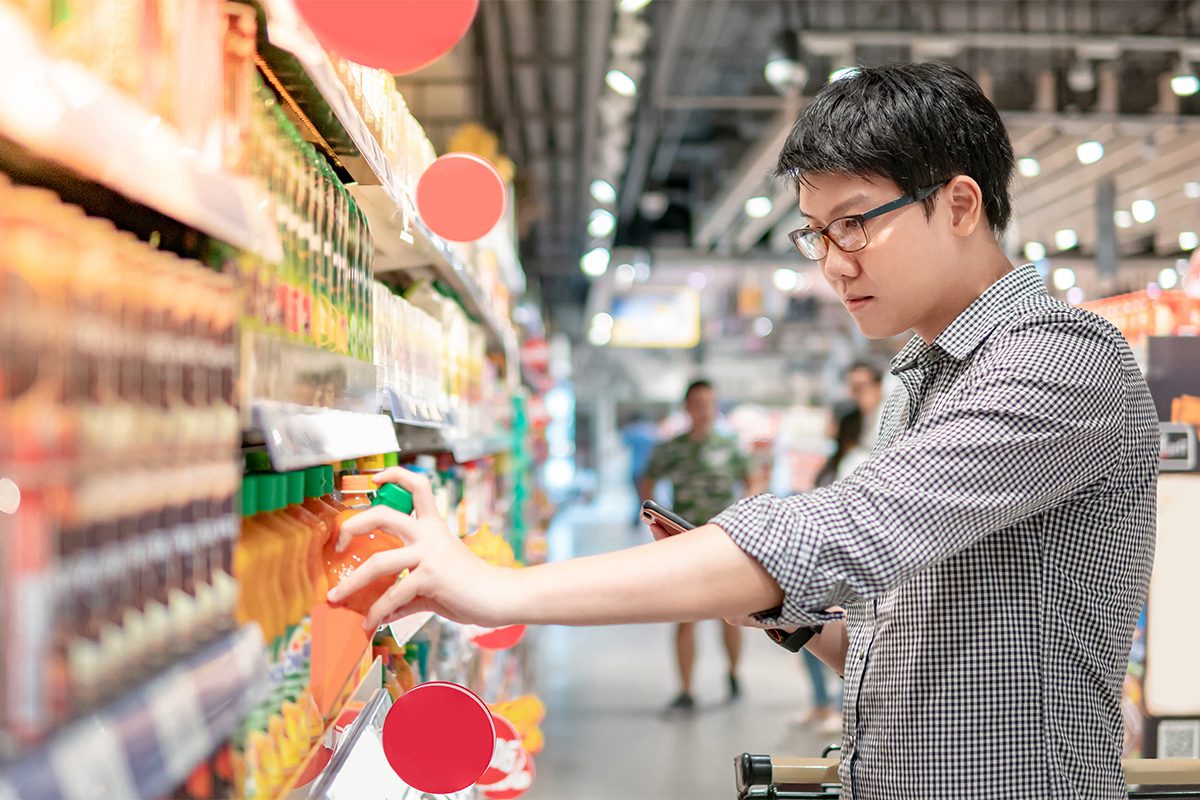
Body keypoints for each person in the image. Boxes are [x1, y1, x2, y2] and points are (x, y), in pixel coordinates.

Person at [327, 63, 1159, 800]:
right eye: (815, 232)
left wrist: (499, 589)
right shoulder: (924, 375)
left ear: (961, 204)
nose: (833, 262)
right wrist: (790, 614)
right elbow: (906, 631)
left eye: (855, 222)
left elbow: (851, 531)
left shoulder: (1062, 361)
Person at [639, 380, 752, 713]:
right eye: (698, 403)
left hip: (725, 541)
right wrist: (655, 518)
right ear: (686, 407)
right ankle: (685, 689)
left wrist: (746, 516)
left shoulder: (730, 446)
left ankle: (733, 673)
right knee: (685, 616)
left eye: (710, 403)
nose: (704, 410)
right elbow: (647, 479)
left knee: (731, 615)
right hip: (685, 542)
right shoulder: (672, 448)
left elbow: (751, 481)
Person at [620, 413, 659, 526]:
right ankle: (651, 520)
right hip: (649, 470)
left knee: (638, 496)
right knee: (647, 496)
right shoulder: (652, 430)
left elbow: (624, 442)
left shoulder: (632, 431)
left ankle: (638, 521)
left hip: (637, 469)